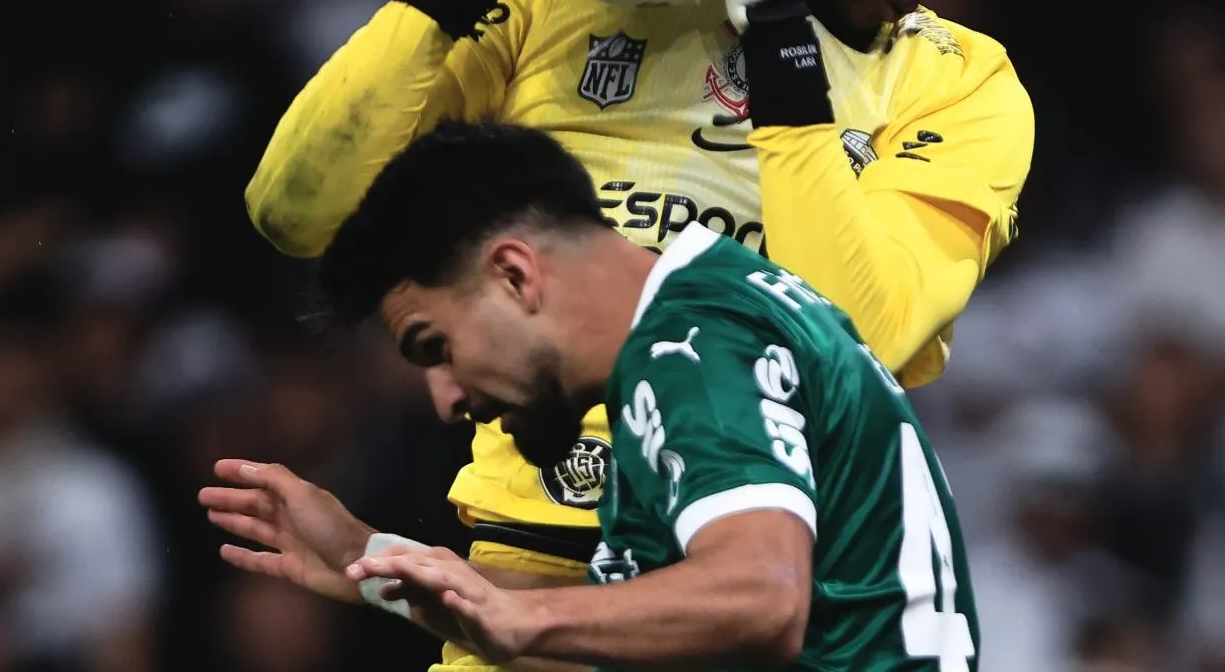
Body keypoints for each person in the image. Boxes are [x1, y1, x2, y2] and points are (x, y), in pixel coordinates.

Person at [244, 0, 1062, 668]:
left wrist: (778, 29)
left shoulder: (964, 85)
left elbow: (851, 336)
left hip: (754, 601)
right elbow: (300, 210)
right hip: (515, 590)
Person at [205, 120, 980, 669]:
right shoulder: (703, 320)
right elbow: (620, 631)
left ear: (514, 275)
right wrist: (362, 557)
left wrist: (522, 617)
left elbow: (762, 597)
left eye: (433, 348)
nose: (446, 399)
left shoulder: (691, 349)